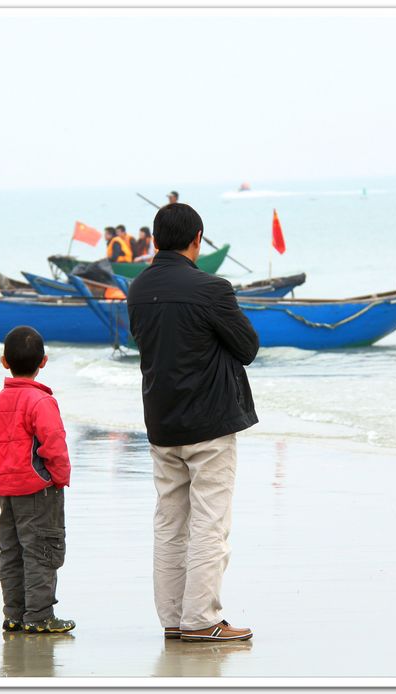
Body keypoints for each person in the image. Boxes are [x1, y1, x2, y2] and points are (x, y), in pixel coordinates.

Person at [126, 202, 259, 643]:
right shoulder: (211, 288)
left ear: (156, 239)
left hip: (161, 422)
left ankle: (173, 619)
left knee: (169, 522)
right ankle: (201, 620)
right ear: (196, 239)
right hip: (209, 423)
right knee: (209, 523)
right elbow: (247, 346)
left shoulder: (138, 289)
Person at [0, 326, 75, 636]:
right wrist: (58, 479)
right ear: (44, 361)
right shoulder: (40, 401)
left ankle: (14, 614)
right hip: (38, 490)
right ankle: (39, 615)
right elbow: (54, 445)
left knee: (11, 550)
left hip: (6, 489)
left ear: (4, 361)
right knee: (42, 550)